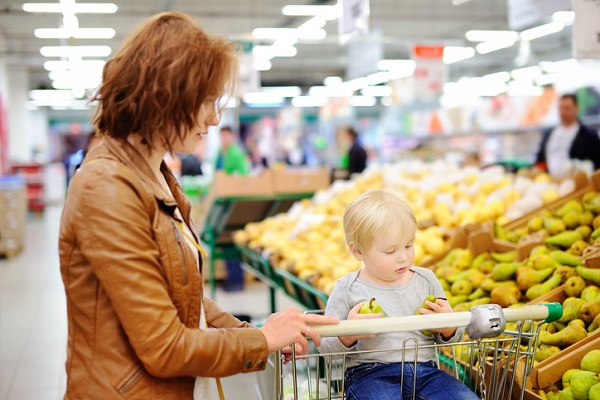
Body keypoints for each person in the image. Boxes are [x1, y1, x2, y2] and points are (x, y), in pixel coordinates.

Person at [59, 12, 338, 399]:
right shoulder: (107, 186)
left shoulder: (152, 172)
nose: (213, 117)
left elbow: (182, 297)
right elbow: (164, 346)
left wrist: (258, 333)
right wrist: (260, 341)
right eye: (205, 101)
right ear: (165, 95)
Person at [318, 189, 478, 400]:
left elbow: (451, 338)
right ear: (358, 251)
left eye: (409, 245)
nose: (403, 257)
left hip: (427, 372)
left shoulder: (426, 280)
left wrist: (448, 328)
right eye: (391, 251)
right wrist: (348, 333)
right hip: (370, 375)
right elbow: (325, 347)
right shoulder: (347, 289)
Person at [535, 93, 600, 177]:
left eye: (567, 108)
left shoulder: (589, 135)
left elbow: (597, 162)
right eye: (561, 109)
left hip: (578, 185)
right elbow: (539, 160)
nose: (563, 112)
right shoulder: (548, 133)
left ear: (576, 108)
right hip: (550, 183)